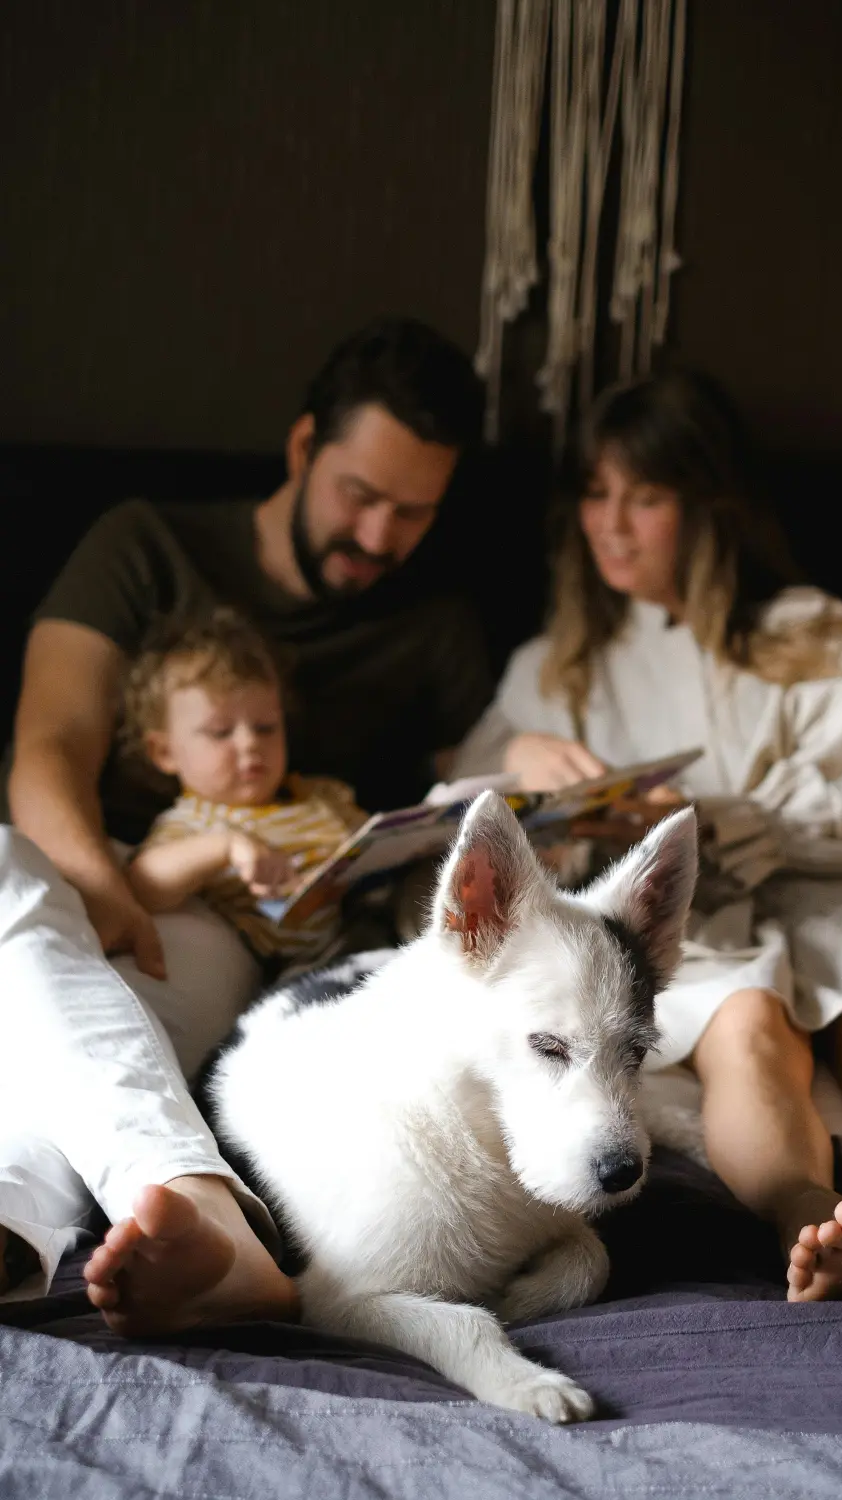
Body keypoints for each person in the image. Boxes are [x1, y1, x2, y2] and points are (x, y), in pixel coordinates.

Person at [453, 369, 842, 1301]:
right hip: (691, 919)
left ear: (708, 507)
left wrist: (734, 816)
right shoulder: (554, 668)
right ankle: (811, 1216)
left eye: (647, 497)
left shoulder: (807, 629)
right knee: (743, 1029)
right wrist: (525, 768)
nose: (612, 524)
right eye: (595, 494)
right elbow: (461, 834)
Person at [0, 317, 492, 1324]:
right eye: (360, 496)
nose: (377, 537)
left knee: (78, 1039)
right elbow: (47, 747)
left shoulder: (437, 624)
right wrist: (104, 891)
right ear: (305, 447)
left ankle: (20, 1224)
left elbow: (475, 809)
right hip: (96, 867)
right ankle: (199, 1211)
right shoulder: (148, 543)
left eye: (414, 513)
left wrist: (525, 774)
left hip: (227, 927)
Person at [123, 607, 369, 966]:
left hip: (365, 929)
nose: (250, 744)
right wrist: (225, 846)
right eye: (220, 732)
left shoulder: (320, 795)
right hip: (286, 966)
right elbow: (143, 886)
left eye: (266, 727)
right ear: (164, 751)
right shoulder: (194, 823)